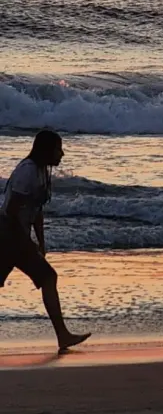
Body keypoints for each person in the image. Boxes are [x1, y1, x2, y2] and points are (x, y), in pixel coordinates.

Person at [0, 130, 90, 351]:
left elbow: (36, 211)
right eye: (58, 149)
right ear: (46, 150)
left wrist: (41, 242)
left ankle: (63, 336)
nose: (62, 154)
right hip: (7, 234)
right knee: (49, 277)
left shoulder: (42, 172)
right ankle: (63, 336)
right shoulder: (27, 172)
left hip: (16, 237)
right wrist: (23, 241)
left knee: (48, 277)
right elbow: (12, 211)